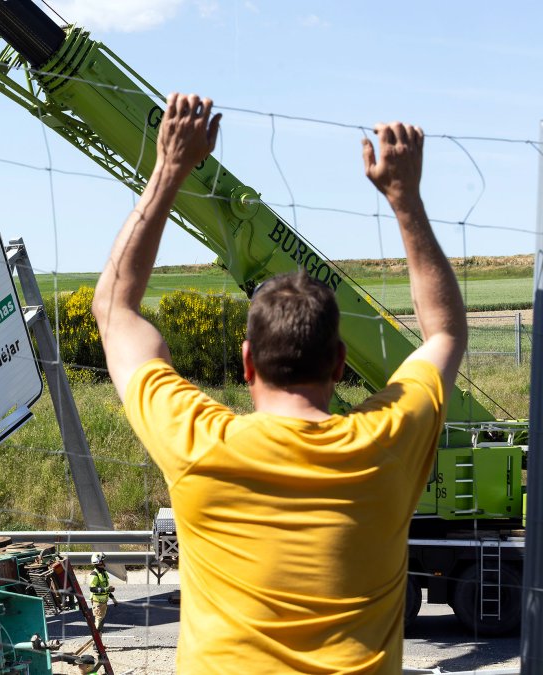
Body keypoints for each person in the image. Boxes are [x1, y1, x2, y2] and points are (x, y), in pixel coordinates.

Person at [91, 93, 465, 674]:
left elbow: (115, 308)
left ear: (246, 362)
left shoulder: (198, 444)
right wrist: (405, 200)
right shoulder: (386, 443)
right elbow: (444, 333)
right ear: (340, 363)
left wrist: (169, 168)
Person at [88, 552, 114, 632]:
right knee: (98, 623)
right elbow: (92, 589)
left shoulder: (103, 573)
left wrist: (113, 598)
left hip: (103, 602)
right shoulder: (94, 574)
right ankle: (95, 642)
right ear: (99, 562)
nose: (104, 562)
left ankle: (98, 643)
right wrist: (106, 589)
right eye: (103, 561)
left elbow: (106, 588)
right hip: (97, 602)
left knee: (101, 622)